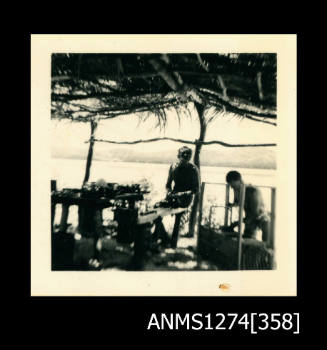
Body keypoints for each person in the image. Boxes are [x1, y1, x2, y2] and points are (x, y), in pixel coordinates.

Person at [154, 146, 200, 248]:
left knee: (178, 216)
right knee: (156, 209)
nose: (185, 157)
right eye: (183, 155)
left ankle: (173, 243)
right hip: (173, 196)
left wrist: (182, 194)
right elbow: (168, 185)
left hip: (185, 199)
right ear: (178, 156)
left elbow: (196, 189)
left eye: (188, 156)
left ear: (190, 157)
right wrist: (169, 192)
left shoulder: (193, 169)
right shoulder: (173, 166)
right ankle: (163, 238)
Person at [225, 170, 270, 244]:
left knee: (265, 245)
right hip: (249, 218)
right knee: (247, 242)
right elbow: (237, 202)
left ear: (239, 181)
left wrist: (237, 223)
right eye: (231, 186)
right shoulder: (237, 189)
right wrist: (232, 205)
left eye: (233, 186)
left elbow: (255, 212)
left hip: (262, 219)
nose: (232, 188)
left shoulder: (252, 191)